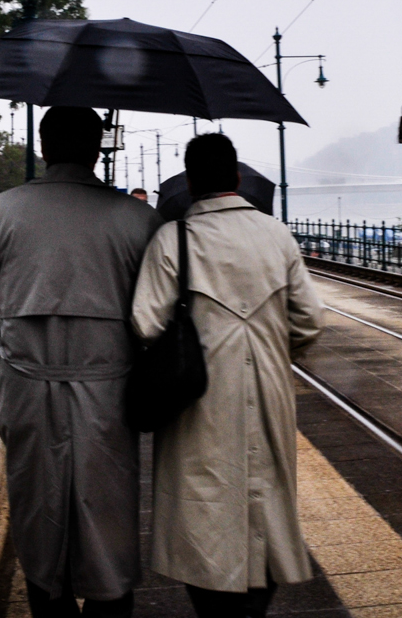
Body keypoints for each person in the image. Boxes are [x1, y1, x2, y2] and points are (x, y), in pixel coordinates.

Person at [0, 106, 162, 618]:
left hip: (26, 383)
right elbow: (153, 317)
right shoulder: (138, 218)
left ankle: (47, 598)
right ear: (99, 148)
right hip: (109, 389)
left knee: (38, 510)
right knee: (109, 513)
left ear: (43, 146)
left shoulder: (1, 211)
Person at [131, 133, 323, 618]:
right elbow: (309, 321)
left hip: (198, 398)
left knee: (205, 506)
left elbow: (144, 323)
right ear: (237, 177)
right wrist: (272, 351)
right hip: (270, 391)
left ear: (191, 181)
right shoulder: (277, 234)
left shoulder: (172, 239)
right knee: (265, 496)